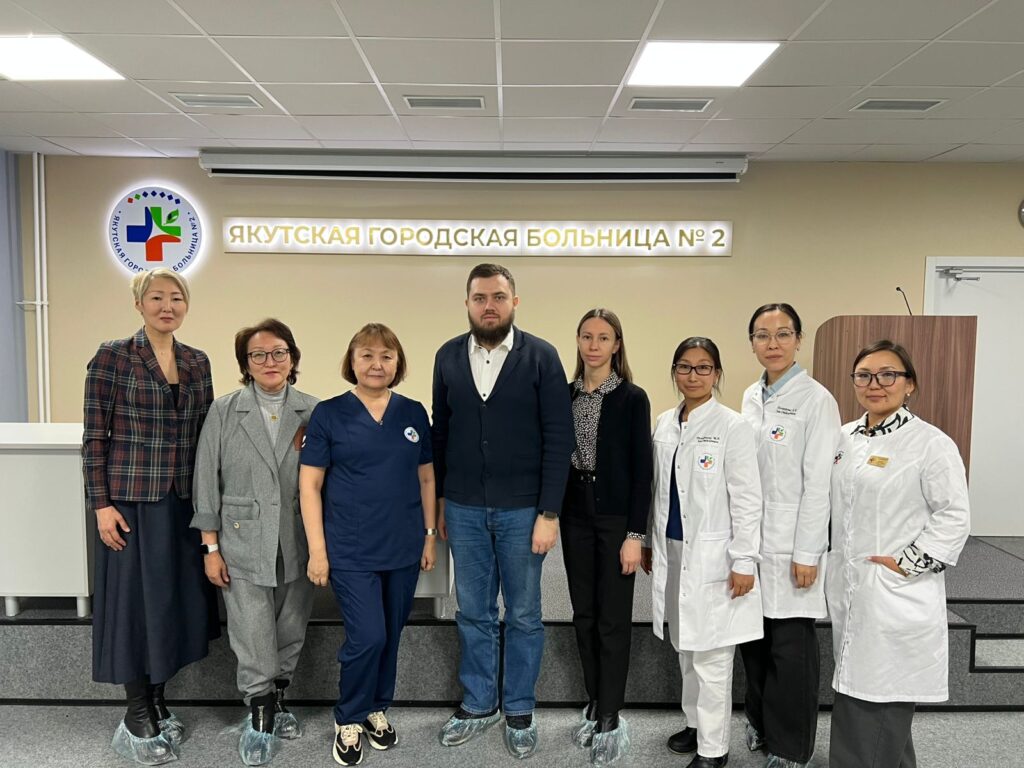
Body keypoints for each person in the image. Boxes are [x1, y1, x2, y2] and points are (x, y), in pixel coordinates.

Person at [433, 263, 573, 759]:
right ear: (467, 303)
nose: (488, 306)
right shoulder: (448, 356)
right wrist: (442, 500)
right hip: (464, 508)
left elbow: (559, 437)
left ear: (515, 302)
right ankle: (478, 703)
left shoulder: (541, 356)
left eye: (497, 297)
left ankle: (518, 707)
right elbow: (442, 431)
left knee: (525, 614)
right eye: (479, 298)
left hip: (523, 511)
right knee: (473, 611)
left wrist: (550, 512)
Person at [82, 268, 219, 765]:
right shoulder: (113, 356)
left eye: (176, 298)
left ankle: (159, 699)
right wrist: (101, 505)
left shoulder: (197, 361)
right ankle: (137, 710)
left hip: (183, 503)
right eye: (157, 297)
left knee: (170, 605)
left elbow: (208, 435)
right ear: (139, 304)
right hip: (130, 506)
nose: (167, 306)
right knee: (134, 608)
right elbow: (93, 438)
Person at [299, 323, 437, 767]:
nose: (377, 364)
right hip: (350, 548)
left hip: (403, 546)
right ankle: (349, 717)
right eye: (367, 355)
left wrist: (429, 536)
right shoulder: (329, 414)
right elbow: (310, 485)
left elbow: (427, 478)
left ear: (398, 363)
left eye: (386, 356)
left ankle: (378, 707)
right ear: (352, 361)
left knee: (390, 635)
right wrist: (318, 551)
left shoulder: (413, 412)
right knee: (367, 636)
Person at [827, 340, 970, 768]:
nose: (875, 384)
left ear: (910, 385)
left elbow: (954, 516)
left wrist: (908, 563)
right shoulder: (844, 438)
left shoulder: (930, 443)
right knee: (866, 695)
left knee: (876, 700)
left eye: (888, 374)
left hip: (894, 591)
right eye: (864, 375)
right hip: (851, 589)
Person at [191, 319, 318, 766]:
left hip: (299, 538)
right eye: (258, 355)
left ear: (293, 358)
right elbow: (206, 482)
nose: (269, 361)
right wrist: (210, 548)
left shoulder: (314, 411)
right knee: (251, 627)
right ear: (246, 363)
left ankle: (279, 696)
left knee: (291, 622)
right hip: (241, 539)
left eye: (279, 352)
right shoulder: (225, 410)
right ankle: (259, 709)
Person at [643, 336, 763, 768]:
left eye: (703, 367)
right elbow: (656, 491)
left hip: (716, 557)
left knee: (712, 656)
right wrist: (650, 542)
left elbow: (748, 499)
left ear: (716, 374)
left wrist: (744, 559)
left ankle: (714, 749)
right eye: (684, 367)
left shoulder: (733, 426)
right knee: (686, 647)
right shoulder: (664, 423)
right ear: (674, 372)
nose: (693, 375)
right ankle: (694, 724)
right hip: (673, 551)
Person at [738, 303, 841, 768]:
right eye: (762, 335)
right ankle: (760, 723)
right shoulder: (750, 396)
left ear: (799, 340)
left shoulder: (817, 400)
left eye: (783, 334)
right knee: (754, 643)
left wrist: (807, 552)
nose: (773, 343)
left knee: (791, 650)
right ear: (752, 343)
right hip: (752, 542)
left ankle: (791, 747)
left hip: (792, 543)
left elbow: (819, 484)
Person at [561, 309, 652, 766]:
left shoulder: (632, 398)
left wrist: (636, 534)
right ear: (578, 342)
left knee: (613, 616)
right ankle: (595, 699)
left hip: (616, 517)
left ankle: (611, 713)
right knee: (584, 614)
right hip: (574, 513)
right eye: (587, 336)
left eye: (603, 338)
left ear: (617, 345)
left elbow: (642, 472)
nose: (594, 345)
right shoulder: (565, 394)